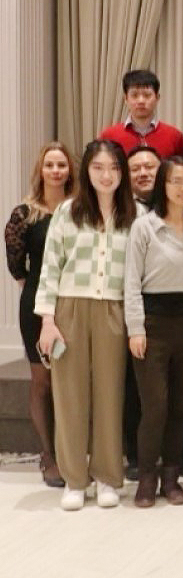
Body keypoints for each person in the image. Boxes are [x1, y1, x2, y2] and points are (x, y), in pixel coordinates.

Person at [35, 140, 138, 511]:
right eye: (98, 167)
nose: (106, 175)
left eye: (113, 167)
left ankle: (109, 476)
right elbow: (49, 267)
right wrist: (48, 321)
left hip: (114, 308)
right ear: (87, 172)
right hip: (70, 308)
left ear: (122, 172)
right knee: (70, 394)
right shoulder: (66, 212)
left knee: (110, 393)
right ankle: (75, 479)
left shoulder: (136, 213)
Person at [123, 156, 183, 507]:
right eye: (176, 181)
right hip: (152, 326)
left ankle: (171, 477)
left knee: (180, 405)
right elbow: (130, 283)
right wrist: (135, 328)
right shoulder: (145, 226)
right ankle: (146, 477)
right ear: (163, 185)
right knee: (154, 406)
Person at [5, 142, 75, 487]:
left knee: (70, 381)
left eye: (62, 164)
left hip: (75, 304)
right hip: (37, 304)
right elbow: (17, 267)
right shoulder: (23, 214)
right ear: (41, 170)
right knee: (42, 381)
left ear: (70, 171)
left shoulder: (79, 211)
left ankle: (71, 451)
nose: (56, 170)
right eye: (50, 164)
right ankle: (48, 455)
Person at [99, 70, 183, 158]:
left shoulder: (175, 137)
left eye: (147, 95)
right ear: (125, 99)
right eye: (134, 95)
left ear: (157, 98)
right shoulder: (109, 136)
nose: (141, 101)